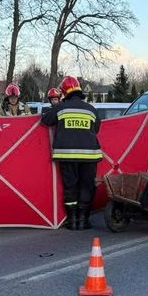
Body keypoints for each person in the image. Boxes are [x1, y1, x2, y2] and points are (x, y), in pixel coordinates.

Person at [41, 75, 102, 230]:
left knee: (70, 187)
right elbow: (96, 129)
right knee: (86, 186)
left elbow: (45, 120)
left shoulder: (60, 107)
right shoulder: (91, 109)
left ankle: (72, 221)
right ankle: (83, 220)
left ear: (64, 92)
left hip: (66, 155)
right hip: (90, 156)